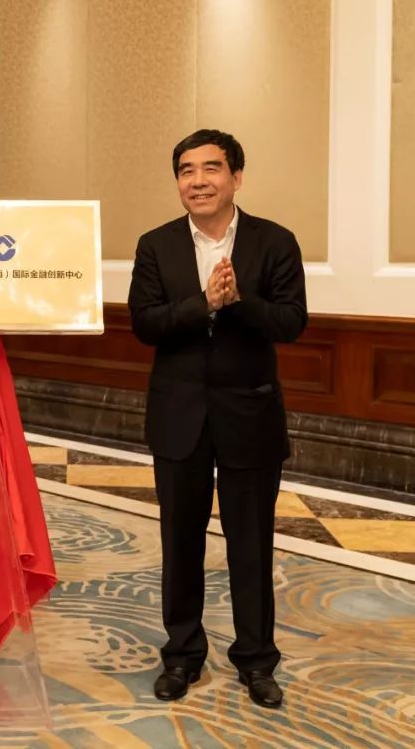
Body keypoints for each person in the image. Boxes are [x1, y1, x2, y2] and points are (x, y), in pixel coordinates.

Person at [127, 129, 307, 709]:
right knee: (180, 542)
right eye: (186, 170)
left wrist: (238, 302)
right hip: (178, 416)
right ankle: (181, 656)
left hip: (249, 414)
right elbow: (145, 323)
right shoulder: (155, 245)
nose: (197, 180)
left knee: (250, 546)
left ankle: (256, 661)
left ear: (236, 177)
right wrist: (201, 303)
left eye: (211, 168)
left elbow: (292, 322)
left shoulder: (274, 241)